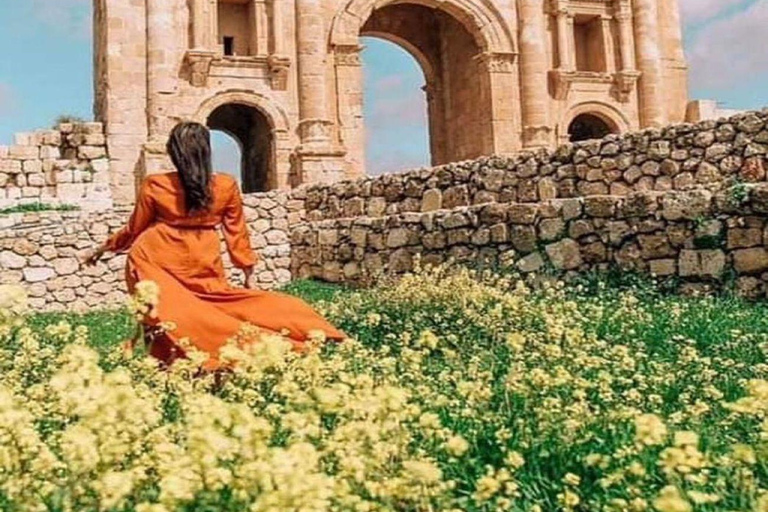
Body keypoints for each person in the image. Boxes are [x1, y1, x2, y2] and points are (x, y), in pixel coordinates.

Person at [83, 121, 347, 369]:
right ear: (206, 150)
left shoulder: (156, 183)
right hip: (200, 256)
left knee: (167, 316)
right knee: (219, 306)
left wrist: (105, 247)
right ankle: (294, 334)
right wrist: (246, 269)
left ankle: (185, 362)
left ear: (174, 152)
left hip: (154, 257)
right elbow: (236, 232)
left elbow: (134, 228)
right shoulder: (226, 184)